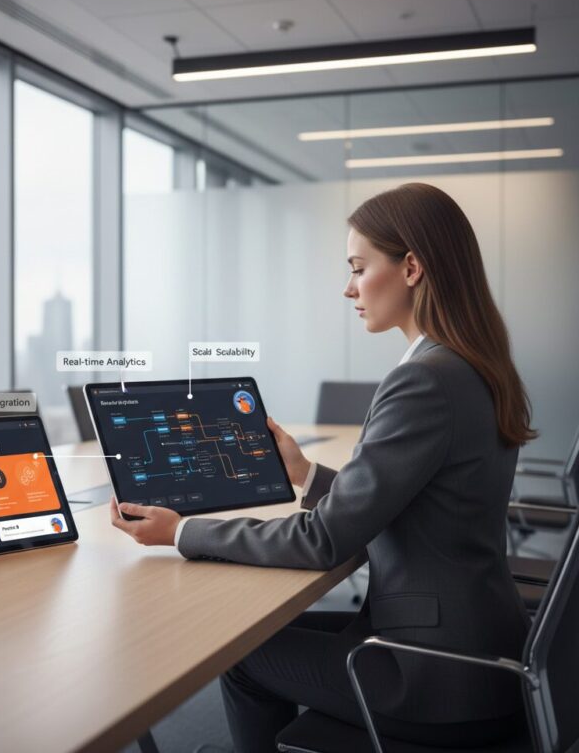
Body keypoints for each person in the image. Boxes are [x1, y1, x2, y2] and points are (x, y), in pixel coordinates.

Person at [109, 183, 535, 751]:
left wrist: (180, 530)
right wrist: (305, 474)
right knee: (263, 637)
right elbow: (413, 504)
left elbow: (325, 540)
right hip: (478, 646)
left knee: (240, 657)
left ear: (411, 267)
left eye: (359, 268)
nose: (348, 287)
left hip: (435, 675)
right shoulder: (469, 364)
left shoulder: (425, 380)